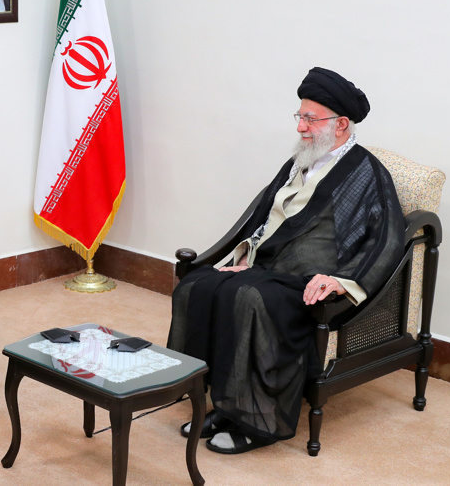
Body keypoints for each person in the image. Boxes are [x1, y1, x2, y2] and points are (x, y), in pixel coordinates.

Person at [168, 67, 405, 455]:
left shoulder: (367, 172)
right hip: (266, 268)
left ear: (341, 124)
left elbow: (389, 237)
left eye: (311, 119)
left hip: (307, 283)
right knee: (199, 286)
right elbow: (264, 215)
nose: (302, 128)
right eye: (301, 117)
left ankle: (258, 421)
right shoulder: (301, 161)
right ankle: (224, 405)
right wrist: (245, 255)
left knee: (250, 300)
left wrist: (341, 280)